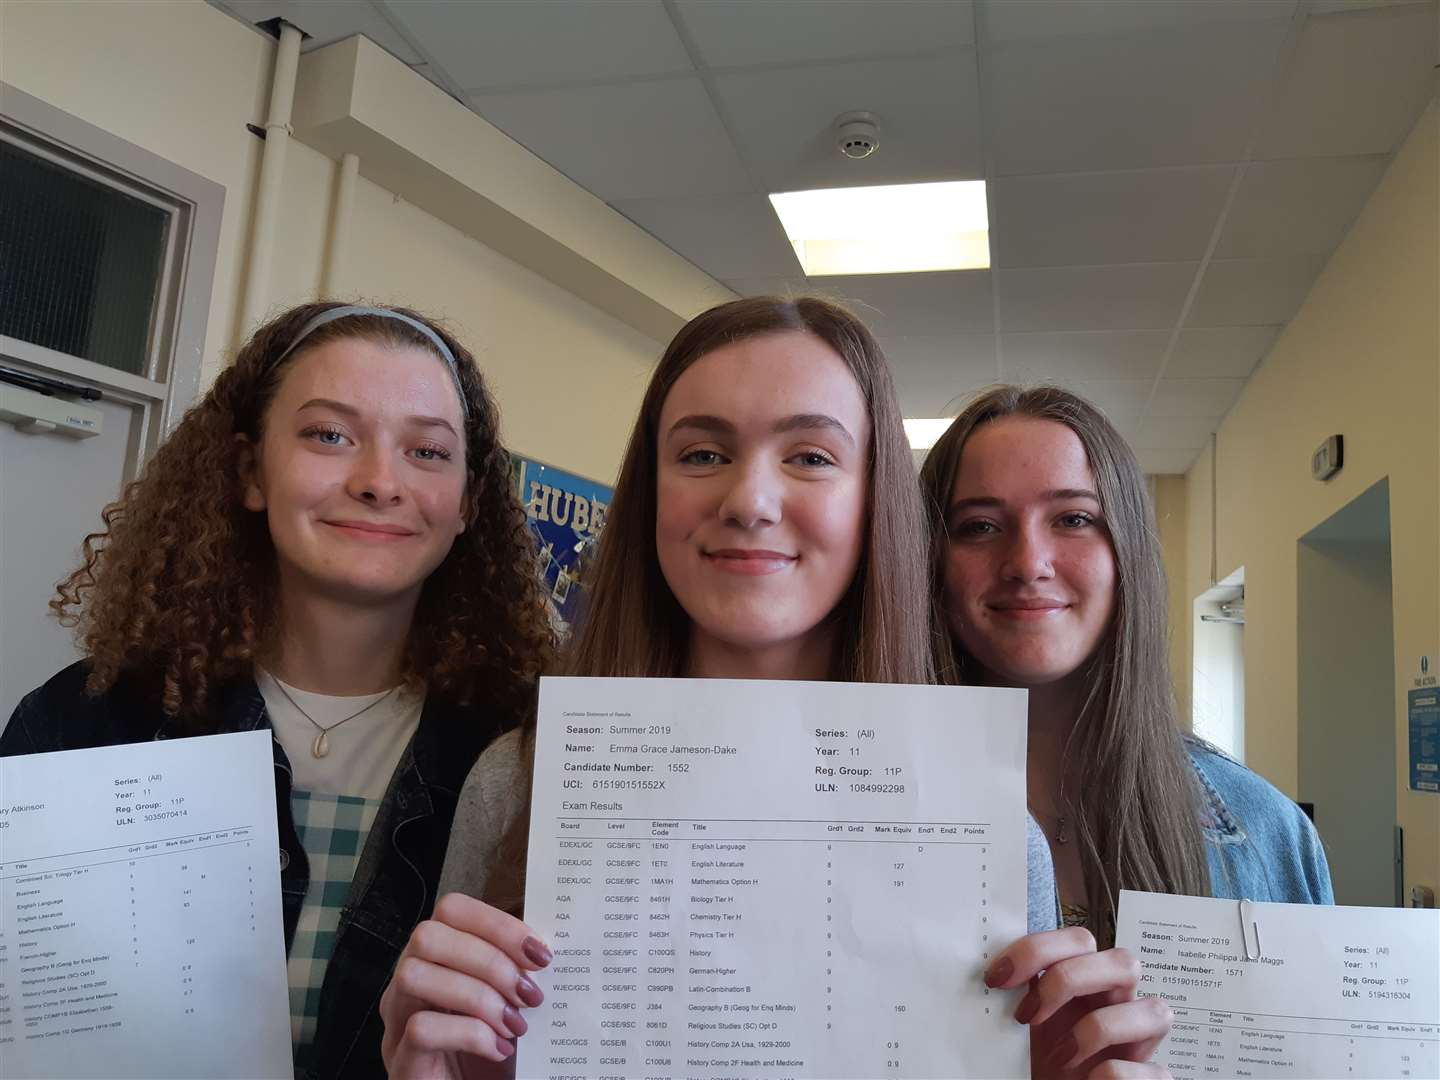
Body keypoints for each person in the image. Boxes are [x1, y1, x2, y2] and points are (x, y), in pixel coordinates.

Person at [377, 298, 1173, 1079]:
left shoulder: (989, 832)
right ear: (652, 493)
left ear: (876, 503)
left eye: (811, 457)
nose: (749, 502)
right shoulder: (515, 782)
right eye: (701, 454)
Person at [1, 302, 554, 1078]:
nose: (378, 482)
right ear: (250, 471)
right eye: (329, 435)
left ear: (467, 502)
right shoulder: (81, 722)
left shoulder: (530, 763)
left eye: (428, 451)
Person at [919, 384, 1333, 952]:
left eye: (1072, 519)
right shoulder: (843, 805)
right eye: (979, 526)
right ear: (928, 560)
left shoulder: (1266, 832)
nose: (1027, 564)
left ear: (1126, 552)